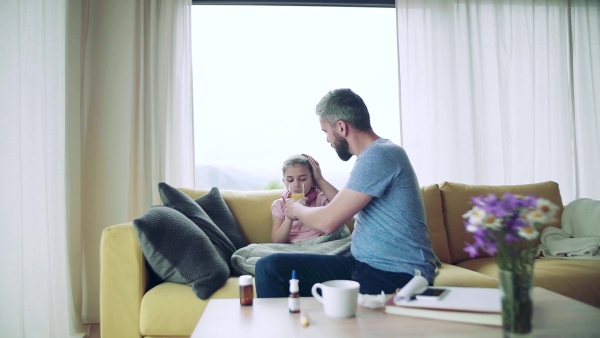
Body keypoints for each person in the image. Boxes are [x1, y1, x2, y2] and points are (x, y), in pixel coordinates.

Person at [255, 88, 438, 297]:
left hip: (395, 272)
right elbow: (347, 211)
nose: (327, 140)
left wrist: (296, 209)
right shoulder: (375, 155)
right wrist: (320, 180)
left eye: (326, 132)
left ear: (341, 127)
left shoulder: (379, 155)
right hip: (362, 264)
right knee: (271, 267)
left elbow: (328, 221)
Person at [271, 154, 339, 243]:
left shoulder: (322, 199)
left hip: (319, 244)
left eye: (302, 179)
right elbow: (276, 241)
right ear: (284, 182)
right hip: (292, 249)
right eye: (290, 180)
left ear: (312, 180)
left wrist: (302, 211)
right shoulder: (279, 205)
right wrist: (289, 217)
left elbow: (331, 227)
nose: (296, 185)